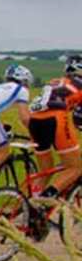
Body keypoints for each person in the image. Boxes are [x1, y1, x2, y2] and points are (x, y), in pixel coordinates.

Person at [27, 58, 82, 199]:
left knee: (46, 170)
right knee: (75, 167)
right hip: (56, 117)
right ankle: (46, 200)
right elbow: (79, 117)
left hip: (34, 119)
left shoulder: (56, 81)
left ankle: (31, 206)